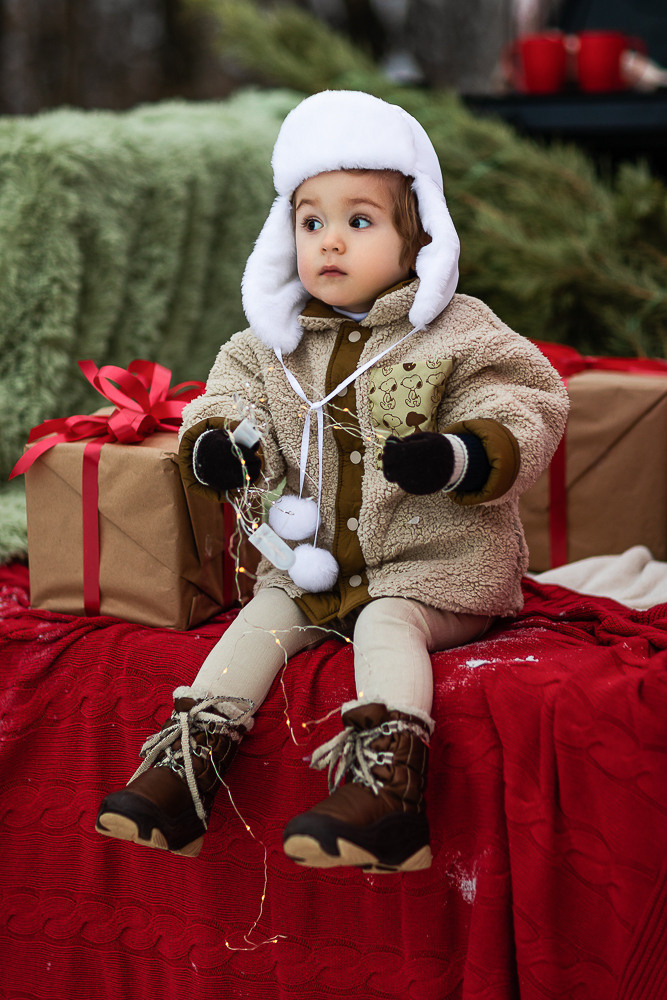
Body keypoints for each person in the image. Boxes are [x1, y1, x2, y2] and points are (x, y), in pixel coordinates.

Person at [95, 90, 569, 873]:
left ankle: (388, 792)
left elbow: (522, 402)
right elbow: (223, 401)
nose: (330, 242)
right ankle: (184, 772)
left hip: (432, 568)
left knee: (386, 622)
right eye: (311, 221)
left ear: (417, 237)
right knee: (260, 621)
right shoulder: (268, 346)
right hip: (310, 564)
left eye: (359, 220)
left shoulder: (458, 329)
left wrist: (455, 453)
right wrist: (219, 444)